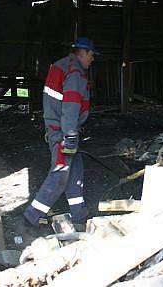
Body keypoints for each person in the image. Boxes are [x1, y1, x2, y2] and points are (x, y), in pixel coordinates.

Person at [23, 36, 99, 233]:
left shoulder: (61, 66)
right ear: (82, 52)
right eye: (91, 55)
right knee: (60, 173)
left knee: (74, 172)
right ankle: (31, 217)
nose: (93, 59)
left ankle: (79, 215)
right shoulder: (75, 73)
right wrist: (71, 135)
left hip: (58, 127)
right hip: (63, 131)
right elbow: (71, 106)